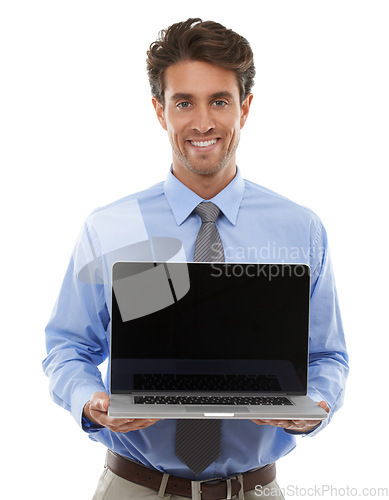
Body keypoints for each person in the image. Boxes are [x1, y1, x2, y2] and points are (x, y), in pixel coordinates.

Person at [43, 18, 349, 500]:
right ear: (160, 111)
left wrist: (317, 405)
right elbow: (67, 347)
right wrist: (91, 401)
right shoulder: (108, 228)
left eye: (219, 101)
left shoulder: (300, 229)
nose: (202, 122)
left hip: (255, 490)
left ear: (244, 109)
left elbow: (329, 356)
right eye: (184, 102)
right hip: (134, 487)